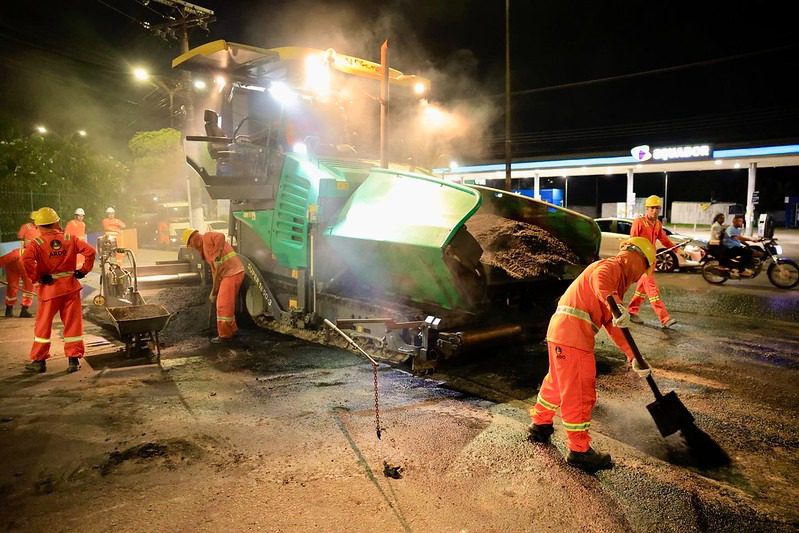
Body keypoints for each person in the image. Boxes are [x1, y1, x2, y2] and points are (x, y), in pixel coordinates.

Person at [528, 237, 656, 471]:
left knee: (557, 383)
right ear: (638, 260)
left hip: (562, 334)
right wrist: (615, 303)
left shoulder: (614, 280)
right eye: (643, 270)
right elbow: (602, 286)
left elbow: (613, 323)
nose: (639, 278)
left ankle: (540, 424)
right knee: (579, 391)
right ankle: (579, 451)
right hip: (573, 337)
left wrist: (633, 356)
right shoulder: (609, 267)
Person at [22, 207, 96, 373]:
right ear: (57, 222)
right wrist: (83, 271)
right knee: (73, 324)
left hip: (50, 291)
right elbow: (91, 252)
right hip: (71, 288)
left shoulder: (37, 243)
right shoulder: (70, 238)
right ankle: (73, 360)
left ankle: (39, 361)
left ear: (39, 226)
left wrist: (37, 277)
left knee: (43, 325)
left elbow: (25, 260)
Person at [182, 227, 245, 344]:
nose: (191, 247)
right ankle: (232, 330)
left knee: (223, 305)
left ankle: (225, 336)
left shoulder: (207, 237)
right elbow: (216, 271)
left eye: (190, 243)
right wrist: (214, 291)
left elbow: (221, 236)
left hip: (232, 273)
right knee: (227, 304)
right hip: (230, 273)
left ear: (194, 238)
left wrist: (218, 254)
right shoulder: (205, 251)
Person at [626, 195, 678, 329]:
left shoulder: (657, 224)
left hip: (651, 261)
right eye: (652, 208)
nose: (655, 211)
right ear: (647, 209)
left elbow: (665, 240)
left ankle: (632, 310)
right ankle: (664, 318)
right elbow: (632, 241)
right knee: (652, 289)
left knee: (641, 289)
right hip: (642, 262)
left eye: (657, 208)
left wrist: (678, 251)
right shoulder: (639, 222)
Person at [0, 246, 35, 318]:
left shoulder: (18, 251)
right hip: (24, 263)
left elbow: (5, 259)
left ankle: (8, 310)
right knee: (29, 287)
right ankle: (24, 310)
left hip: (13, 262)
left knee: (12, 286)